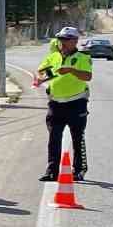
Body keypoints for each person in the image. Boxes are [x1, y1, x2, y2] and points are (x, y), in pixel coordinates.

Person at [35, 25, 93, 181]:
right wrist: (42, 78)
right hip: (56, 104)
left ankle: (79, 170)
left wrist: (70, 70)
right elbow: (42, 72)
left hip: (76, 103)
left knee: (77, 137)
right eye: (60, 39)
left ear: (75, 41)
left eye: (66, 39)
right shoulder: (53, 57)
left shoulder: (82, 58)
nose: (62, 42)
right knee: (54, 138)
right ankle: (52, 171)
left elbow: (87, 76)